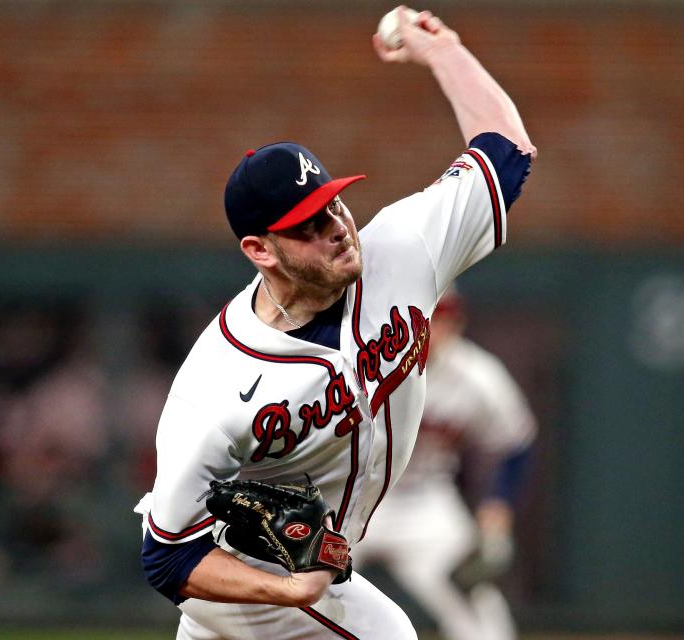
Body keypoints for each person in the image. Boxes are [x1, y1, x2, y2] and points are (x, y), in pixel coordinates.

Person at [134, 7, 536, 639]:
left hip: (354, 537)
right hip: (243, 566)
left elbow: (507, 153)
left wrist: (445, 54)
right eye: (309, 227)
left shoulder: (400, 251)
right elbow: (166, 557)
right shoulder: (215, 386)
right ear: (260, 250)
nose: (336, 231)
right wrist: (286, 589)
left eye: (334, 205)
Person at [354, 289, 537, 640]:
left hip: (424, 501)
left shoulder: (478, 376)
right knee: (298, 591)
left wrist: (496, 511)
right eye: (422, 318)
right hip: (352, 499)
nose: (431, 329)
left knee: (480, 609)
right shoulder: (360, 364)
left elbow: (515, 444)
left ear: (457, 324)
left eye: (441, 319)